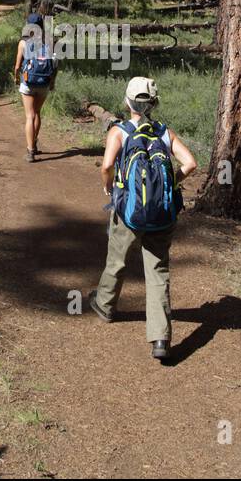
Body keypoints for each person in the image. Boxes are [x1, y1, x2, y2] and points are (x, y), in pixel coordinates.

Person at [89, 76, 197, 361]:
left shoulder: (119, 132)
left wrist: (109, 186)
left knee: (118, 259)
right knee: (158, 272)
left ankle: (105, 305)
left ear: (127, 102)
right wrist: (172, 183)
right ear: (154, 104)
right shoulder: (165, 133)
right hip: (162, 214)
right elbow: (190, 163)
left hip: (129, 211)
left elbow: (108, 165)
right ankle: (160, 338)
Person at [10, 0, 56, 162]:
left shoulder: (23, 43)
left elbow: (17, 66)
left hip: (28, 82)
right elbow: (54, 65)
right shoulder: (49, 43)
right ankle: (34, 144)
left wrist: (16, 78)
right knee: (37, 113)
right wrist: (52, 83)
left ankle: (30, 151)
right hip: (43, 83)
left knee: (29, 116)